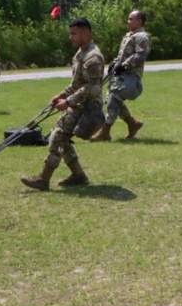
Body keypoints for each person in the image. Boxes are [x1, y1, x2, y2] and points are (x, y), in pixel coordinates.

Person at [21, 18, 104, 191]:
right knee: (61, 138)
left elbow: (93, 87)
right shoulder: (80, 54)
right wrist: (61, 95)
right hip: (78, 105)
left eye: (74, 34)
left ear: (85, 34)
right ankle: (78, 175)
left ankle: (43, 179)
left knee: (58, 136)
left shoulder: (92, 57)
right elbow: (77, 84)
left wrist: (69, 101)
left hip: (88, 108)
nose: (70, 37)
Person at [90, 10, 150, 141]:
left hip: (131, 77)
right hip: (121, 75)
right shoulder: (129, 36)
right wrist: (115, 64)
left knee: (114, 97)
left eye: (131, 19)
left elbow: (140, 56)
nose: (128, 22)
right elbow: (122, 55)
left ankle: (105, 131)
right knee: (112, 97)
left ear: (139, 21)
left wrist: (124, 66)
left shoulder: (142, 37)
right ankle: (132, 123)